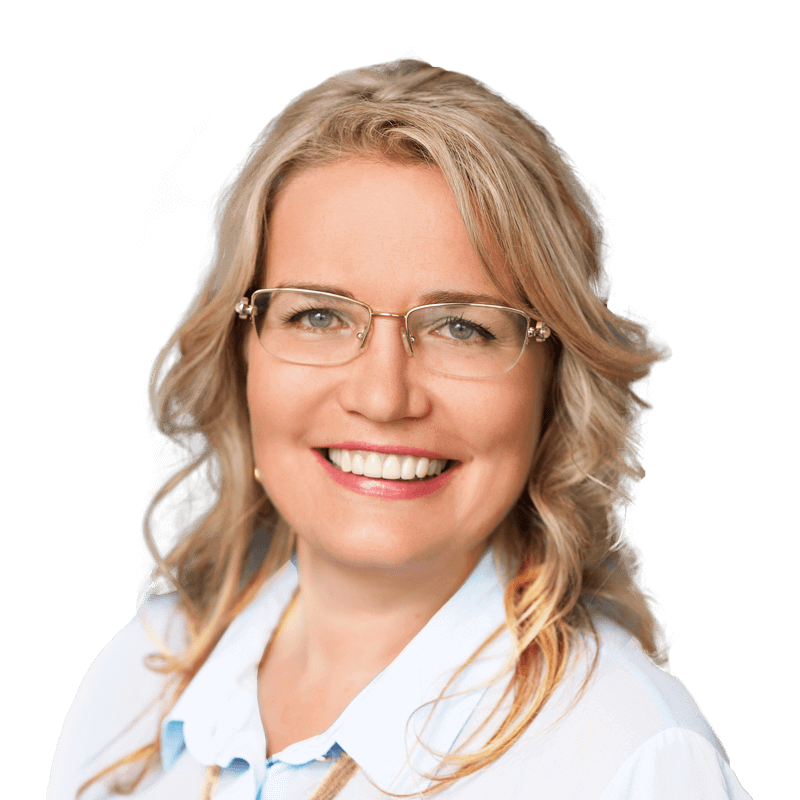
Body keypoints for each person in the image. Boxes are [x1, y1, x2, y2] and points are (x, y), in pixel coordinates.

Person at [48, 57, 752, 799]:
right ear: (240, 357)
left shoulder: (629, 760)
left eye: (461, 327)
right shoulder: (131, 686)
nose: (383, 397)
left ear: (555, 384)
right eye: (317, 316)